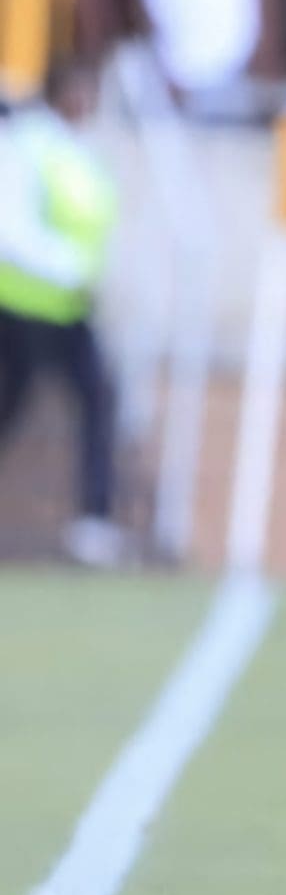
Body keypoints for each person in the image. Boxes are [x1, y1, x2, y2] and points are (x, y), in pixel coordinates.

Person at [0, 58, 123, 566]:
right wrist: (67, 266)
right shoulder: (26, 143)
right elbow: (11, 226)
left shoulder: (80, 149)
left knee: (99, 398)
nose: (86, 102)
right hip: (21, 304)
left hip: (68, 308)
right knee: (10, 404)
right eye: (78, 90)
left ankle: (95, 518)